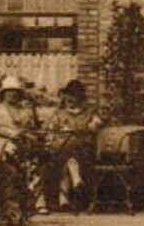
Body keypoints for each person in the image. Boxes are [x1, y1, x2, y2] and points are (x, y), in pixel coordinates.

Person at [0, 75, 43, 223]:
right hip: (0, 147)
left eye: (15, 92)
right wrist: (8, 133)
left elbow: (31, 128)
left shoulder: (25, 109)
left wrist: (26, 135)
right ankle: (5, 212)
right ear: (3, 93)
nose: (12, 95)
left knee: (24, 178)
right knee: (6, 177)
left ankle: (21, 212)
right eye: (9, 91)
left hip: (21, 148)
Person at [41, 80, 102, 213]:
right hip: (61, 149)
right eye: (68, 96)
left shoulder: (90, 112)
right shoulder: (59, 113)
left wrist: (92, 126)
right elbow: (49, 129)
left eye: (74, 96)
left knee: (70, 151)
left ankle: (64, 197)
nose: (70, 99)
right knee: (67, 157)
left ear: (80, 97)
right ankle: (73, 183)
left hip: (83, 148)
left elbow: (96, 125)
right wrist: (53, 129)